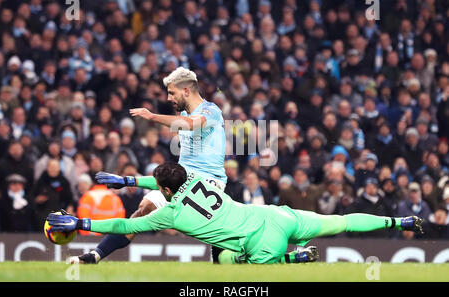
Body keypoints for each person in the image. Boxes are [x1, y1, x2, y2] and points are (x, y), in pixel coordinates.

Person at [48, 162, 424, 264]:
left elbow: (123, 223)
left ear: (164, 192)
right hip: (276, 214)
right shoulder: (198, 178)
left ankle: (291, 261)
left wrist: (82, 222)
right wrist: (129, 179)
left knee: (233, 265)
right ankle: (400, 221)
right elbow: (161, 179)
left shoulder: (170, 216)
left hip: (261, 242)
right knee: (340, 223)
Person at [70, 67, 227, 263]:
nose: (169, 98)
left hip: (209, 183)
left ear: (186, 90)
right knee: (144, 208)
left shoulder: (210, 111)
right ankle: (95, 255)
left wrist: (152, 116)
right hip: (183, 180)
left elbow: (188, 123)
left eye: (172, 92)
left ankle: (226, 262)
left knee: (217, 235)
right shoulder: (185, 113)